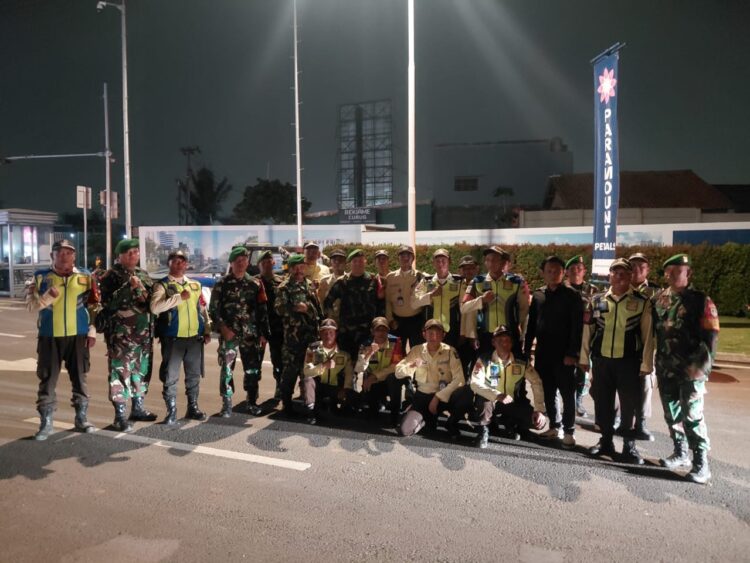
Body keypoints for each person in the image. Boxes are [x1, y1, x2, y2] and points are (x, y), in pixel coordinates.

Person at [652, 253, 719, 484]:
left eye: (677, 270)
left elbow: (711, 336)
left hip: (691, 370)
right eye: (668, 270)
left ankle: (701, 463)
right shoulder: (660, 299)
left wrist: (701, 367)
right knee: (671, 413)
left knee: (692, 415)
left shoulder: (700, 301)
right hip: (666, 368)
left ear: (688, 273)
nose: (672, 274)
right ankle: (680, 453)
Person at [580, 258, 654, 464]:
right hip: (602, 361)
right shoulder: (597, 300)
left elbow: (648, 335)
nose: (619, 276)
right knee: (603, 403)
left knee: (629, 406)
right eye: (615, 272)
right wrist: (584, 358)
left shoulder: (642, 301)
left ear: (630, 276)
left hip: (629, 363)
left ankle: (629, 447)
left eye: (624, 273)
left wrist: (646, 363)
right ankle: (605, 442)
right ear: (609, 275)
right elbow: (588, 330)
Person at [25, 239, 99, 440]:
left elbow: (94, 306)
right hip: (50, 336)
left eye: (68, 252)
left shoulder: (85, 276)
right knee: (48, 379)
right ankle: (46, 422)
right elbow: (31, 306)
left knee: (80, 378)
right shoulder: (40, 277)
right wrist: (48, 296)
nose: (64, 256)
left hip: (78, 336)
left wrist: (92, 331)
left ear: (74, 256)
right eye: (60, 252)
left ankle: (81, 418)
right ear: (52, 256)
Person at [453, 325, 546, 448]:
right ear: (493, 342)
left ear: (511, 343)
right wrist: (497, 395)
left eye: (507, 340)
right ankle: (483, 430)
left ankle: (511, 424)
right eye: (500, 340)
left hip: (511, 401)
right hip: (491, 401)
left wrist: (539, 409)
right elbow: (475, 384)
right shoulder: (484, 359)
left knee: (537, 422)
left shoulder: (521, 361)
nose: (504, 343)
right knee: (484, 401)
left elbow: (536, 382)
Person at [524, 256, 583, 449]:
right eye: (549, 271)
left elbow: (577, 328)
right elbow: (531, 326)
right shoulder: (538, 295)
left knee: (567, 394)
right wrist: (527, 350)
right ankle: (554, 426)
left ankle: (569, 431)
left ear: (563, 273)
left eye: (557, 271)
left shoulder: (572, 296)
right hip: (543, 353)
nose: (552, 274)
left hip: (564, 355)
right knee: (548, 391)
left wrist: (573, 353)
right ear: (543, 273)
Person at [99, 238, 157, 432]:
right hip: (121, 335)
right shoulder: (110, 276)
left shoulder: (143, 274)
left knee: (140, 371)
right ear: (120, 256)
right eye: (129, 253)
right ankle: (119, 416)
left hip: (143, 333)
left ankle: (138, 408)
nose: (133, 255)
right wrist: (128, 287)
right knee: (120, 373)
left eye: (136, 252)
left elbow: (151, 301)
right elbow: (107, 305)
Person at [150, 249, 211, 425]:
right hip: (173, 339)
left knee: (193, 376)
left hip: (194, 339)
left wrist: (207, 329)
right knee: (170, 377)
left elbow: (202, 309)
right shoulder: (162, 285)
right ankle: (171, 411)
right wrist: (178, 298)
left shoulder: (195, 285)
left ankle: (193, 408)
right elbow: (154, 308)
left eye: (182, 261)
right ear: (169, 263)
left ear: (186, 264)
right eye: (175, 261)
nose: (179, 264)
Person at [209, 245, 270, 417]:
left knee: (252, 370)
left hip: (250, 335)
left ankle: (252, 402)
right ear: (232, 263)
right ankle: (226, 403)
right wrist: (223, 329)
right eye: (238, 260)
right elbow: (213, 309)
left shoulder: (255, 284)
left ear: (248, 262)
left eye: (244, 260)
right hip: (230, 334)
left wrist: (264, 333)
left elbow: (262, 310)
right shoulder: (222, 284)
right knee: (227, 369)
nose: (241, 263)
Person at [394, 319, 464, 438]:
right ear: (424, 334)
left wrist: (438, 397)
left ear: (443, 335)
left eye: (437, 332)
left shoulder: (450, 351)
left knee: (465, 393)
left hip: (444, 396)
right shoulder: (417, 350)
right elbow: (398, 372)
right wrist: (412, 366)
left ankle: (451, 423)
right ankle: (426, 418)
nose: (433, 336)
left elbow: (460, 380)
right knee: (405, 431)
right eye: (430, 333)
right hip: (423, 396)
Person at [276, 254, 323, 417]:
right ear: (290, 268)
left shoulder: (309, 285)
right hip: (293, 339)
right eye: (295, 267)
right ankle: (287, 404)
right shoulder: (284, 287)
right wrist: (295, 308)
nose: (299, 270)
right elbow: (279, 309)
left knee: (310, 372)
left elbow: (318, 310)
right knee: (290, 373)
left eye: (301, 267)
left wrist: (308, 309)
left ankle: (310, 404)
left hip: (310, 338)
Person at [461, 246, 528, 359]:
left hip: (510, 335)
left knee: (512, 367)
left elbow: (524, 310)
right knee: (485, 367)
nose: (491, 263)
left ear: (503, 263)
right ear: (485, 263)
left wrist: (522, 333)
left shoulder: (516, 282)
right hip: (486, 336)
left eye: (495, 260)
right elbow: (464, 308)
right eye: (488, 260)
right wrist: (481, 300)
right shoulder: (477, 281)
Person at [323, 249, 381, 361]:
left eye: (361, 261)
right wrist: (333, 322)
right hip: (347, 332)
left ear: (365, 262)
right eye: (355, 261)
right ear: (350, 264)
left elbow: (380, 303)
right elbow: (328, 302)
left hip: (367, 331)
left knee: (368, 362)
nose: (358, 264)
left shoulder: (373, 280)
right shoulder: (342, 282)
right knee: (347, 362)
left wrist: (378, 325)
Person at [628, 252, 661, 441]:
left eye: (641, 266)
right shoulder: (620, 288)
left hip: (648, 345)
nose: (637, 270)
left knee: (646, 384)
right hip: (626, 345)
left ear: (647, 270)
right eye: (633, 266)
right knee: (621, 385)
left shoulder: (657, 292)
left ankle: (641, 422)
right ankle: (619, 419)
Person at [301, 319, 355, 424]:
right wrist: (323, 366)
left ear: (336, 334)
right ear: (320, 334)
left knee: (354, 397)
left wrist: (346, 389)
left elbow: (349, 374)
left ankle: (338, 408)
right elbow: (307, 371)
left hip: (335, 387)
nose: (328, 335)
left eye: (331, 332)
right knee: (307, 380)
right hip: (318, 386)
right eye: (324, 332)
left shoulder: (344, 351)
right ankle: (311, 411)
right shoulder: (312, 348)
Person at [354, 316, 406, 425]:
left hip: (388, 380)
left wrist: (375, 376)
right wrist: (370, 353)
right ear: (372, 331)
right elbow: (359, 368)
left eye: (384, 330)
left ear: (388, 331)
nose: (381, 333)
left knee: (395, 378)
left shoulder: (396, 341)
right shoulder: (365, 344)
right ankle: (372, 408)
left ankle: (394, 415)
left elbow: (396, 365)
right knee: (371, 415)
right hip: (372, 382)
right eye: (378, 330)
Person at [564, 255, 598, 418]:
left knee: (582, 373)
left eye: (579, 268)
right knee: (564, 372)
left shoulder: (593, 291)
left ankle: (578, 401)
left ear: (584, 271)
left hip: (586, 338)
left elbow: (599, 314)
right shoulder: (561, 289)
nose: (576, 271)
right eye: (572, 268)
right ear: (566, 272)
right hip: (565, 337)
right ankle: (565, 402)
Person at [411, 249, 464, 348]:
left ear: (449, 262)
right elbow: (414, 303)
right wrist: (430, 295)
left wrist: (463, 332)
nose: (440, 264)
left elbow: (464, 308)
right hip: (430, 331)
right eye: (437, 261)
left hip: (452, 330)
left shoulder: (459, 281)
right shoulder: (426, 281)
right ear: (433, 263)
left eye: (443, 261)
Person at [255, 250, 286, 401]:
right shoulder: (253, 282)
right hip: (258, 329)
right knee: (255, 362)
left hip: (277, 328)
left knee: (278, 361)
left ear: (273, 263)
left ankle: (279, 386)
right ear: (259, 265)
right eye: (263, 263)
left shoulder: (282, 282)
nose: (267, 265)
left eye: (269, 262)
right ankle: (252, 389)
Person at [385, 245, 425, 349]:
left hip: (416, 321)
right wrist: (390, 320)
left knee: (416, 352)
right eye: (402, 256)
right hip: (397, 322)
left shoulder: (421, 277)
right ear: (398, 259)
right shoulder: (390, 277)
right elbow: (388, 301)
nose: (405, 258)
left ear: (413, 258)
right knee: (397, 353)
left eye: (409, 256)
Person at [317, 248, 347, 324]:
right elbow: (321, 303)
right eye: (334, 260)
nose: (337, 262)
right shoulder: (324, 281)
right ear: (330, 262)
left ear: (345, 262)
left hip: (346, 321)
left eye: (340, 260)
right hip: (330, 322)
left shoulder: (350, 280)